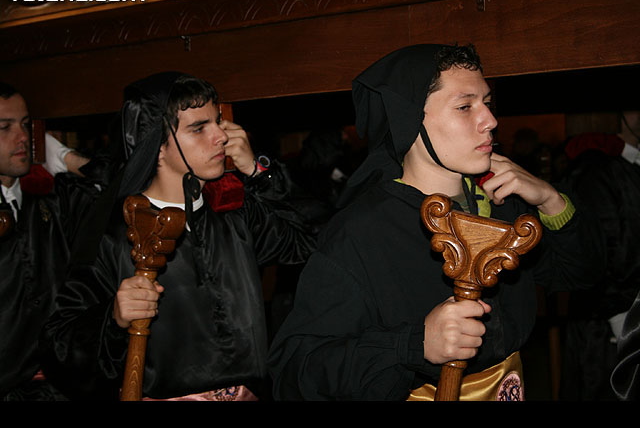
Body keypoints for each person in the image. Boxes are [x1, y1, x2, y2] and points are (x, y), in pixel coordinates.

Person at [267, 44, 604, 401]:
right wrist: (413, 345)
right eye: (464, 106)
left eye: (487, 103)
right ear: (409, 120)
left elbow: (583, 275)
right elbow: (295, 371)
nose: (490, 120)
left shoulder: (503, 203)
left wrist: (551, 200)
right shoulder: (361, 232)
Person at [40, 72, 317, 400]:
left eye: (217, 122)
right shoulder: (114, 236)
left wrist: (259, 174)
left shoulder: (235, 214)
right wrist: (113, 318)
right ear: (156, 144)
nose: (221, 137)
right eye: (199, 128)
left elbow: (311, 244)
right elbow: (60, 348)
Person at [0, 82, 94, 400]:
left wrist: (62, 156)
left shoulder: (51, 198)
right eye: (5, 127)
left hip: (60, 385)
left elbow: (117, 186)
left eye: (26, 125)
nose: (22, 137)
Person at [558, 119, 640, 400]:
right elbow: (597, 247)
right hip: (606, 320)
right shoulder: (594, 165)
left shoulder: (629, 161)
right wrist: (617, 316)